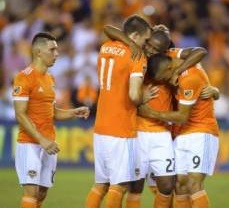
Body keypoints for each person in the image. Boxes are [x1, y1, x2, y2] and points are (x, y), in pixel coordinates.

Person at [104, 25, 218, 208]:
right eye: (149, 45)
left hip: (166, 130)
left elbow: (200, 51)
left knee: (168, 185)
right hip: (136, 129)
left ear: (164, 52)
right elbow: (109, 29)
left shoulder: (173, 59)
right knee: (132, 183)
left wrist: (177, 72)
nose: (150, 50)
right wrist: (131, 44)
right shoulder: (136, 52)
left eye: (156, 49)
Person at [12, 32, 90, 208]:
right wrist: (41, 139)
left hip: (49, 143)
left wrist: (73, 112)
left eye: (57, 50)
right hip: (30, 143)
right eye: (52, 49)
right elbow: (20, 114)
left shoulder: (50, 78)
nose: (57, 53)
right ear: (38, 52)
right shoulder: (24, 77)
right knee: (31, 194)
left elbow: (52, 112)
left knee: (41, 193)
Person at [85, 15, 152, 208]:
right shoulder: (137, 56)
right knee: (120, 186)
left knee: (100, 184)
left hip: (101, 126)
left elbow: (108, 28)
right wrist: (144, 97)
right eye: (145, 40)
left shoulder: (105, 46)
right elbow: (133, 95)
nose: (146, 45)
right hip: (121, 126)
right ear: (135, 35)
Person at [139, 53, 219, 208]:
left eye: (164, 77)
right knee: (180, 186)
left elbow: (182, 116)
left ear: (170, 68)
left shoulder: (189, 78)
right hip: (181, 134)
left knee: (193, 183)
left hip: (201, 131)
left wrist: (150, 113)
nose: (165, 82)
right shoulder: (173, 59)